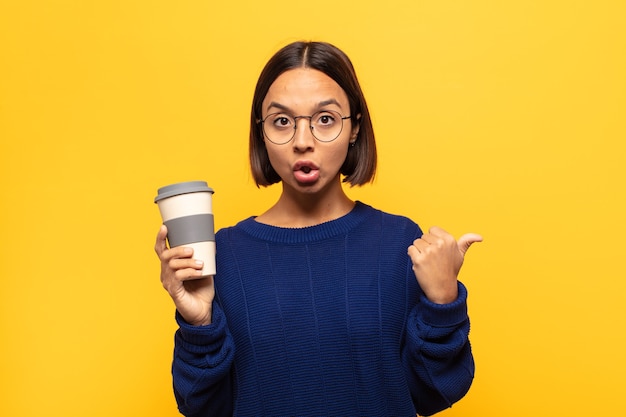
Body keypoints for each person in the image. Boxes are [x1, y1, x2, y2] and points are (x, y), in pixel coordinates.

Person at [155, 41, 482, 417]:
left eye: (325, 119)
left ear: (355, 128)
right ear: (261, 132)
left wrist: (443, 303)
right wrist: (199, 323)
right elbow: (202, 406)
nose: (303, 141)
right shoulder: (221, 254)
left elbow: (434, 394)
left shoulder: (399, 243)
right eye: (282, 121)